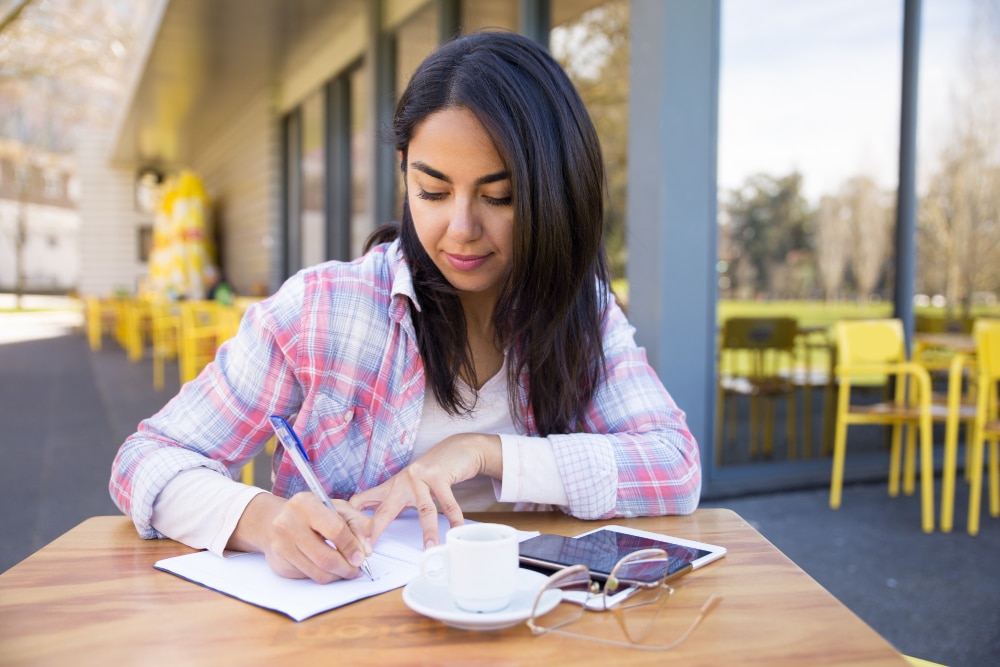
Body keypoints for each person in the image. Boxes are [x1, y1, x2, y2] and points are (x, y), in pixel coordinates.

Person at [110, 30, 701, 585]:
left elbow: (673, 468)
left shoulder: (581, 311)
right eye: (433, 192)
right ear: (404, 174)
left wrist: (484, 453)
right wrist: (262, 522)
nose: (461, 228)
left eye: (500, 196)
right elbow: (147, 460)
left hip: (532, 618)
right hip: (353, 624)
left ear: (555, 192)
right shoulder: (325, 311)